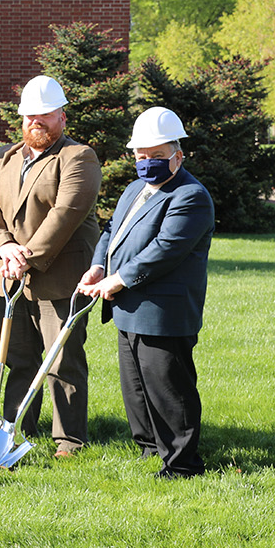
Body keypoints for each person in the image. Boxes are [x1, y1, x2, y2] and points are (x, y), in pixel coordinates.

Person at [79, 107, 212, 478]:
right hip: (128, 306)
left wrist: (116, 280)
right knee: (136, 387)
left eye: (157, 156)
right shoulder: (135, 188)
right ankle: (151, 448)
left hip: (163, 311)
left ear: (178, 155)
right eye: (141, 155)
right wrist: (99, 266)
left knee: (170, 390)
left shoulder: (190, 196)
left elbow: (164, 251)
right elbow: (110, 232)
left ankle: (183, 463)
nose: (147, 162)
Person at [0, 75, 101, 457]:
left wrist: (24, 257)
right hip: (10, 277)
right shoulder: (6, 157)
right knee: (18, 359)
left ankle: (68, 440)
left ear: (62, 116)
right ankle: (16, 429)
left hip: (59, 278)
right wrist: (5, 249)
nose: (37, 121)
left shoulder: (79, 157)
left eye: (45, 114)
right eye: (30, 115)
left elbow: (66, 214)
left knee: (62, 361)